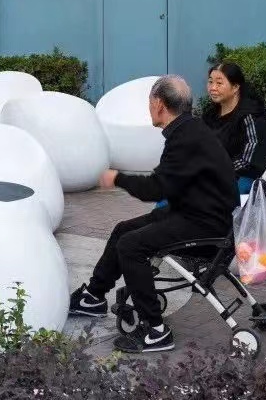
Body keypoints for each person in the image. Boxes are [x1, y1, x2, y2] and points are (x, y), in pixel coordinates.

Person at [68, 75, 238, 354]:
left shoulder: (185, 139)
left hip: (206, 225)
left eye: (149, 102)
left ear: (158, 104)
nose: (149, 107)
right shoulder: (189, 131)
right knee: (125, 229)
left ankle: (156, 331)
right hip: (195, 212)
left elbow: (155, 189)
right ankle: (93, 297)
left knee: (131, 246)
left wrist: (117, 178)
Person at [202, 61, 266, 195]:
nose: (213, 88)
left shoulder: (250, 117)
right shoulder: (210, 115)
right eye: (210, 82)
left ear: (235, 86)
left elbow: (248, 161)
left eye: (219, 83)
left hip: (246, 180)